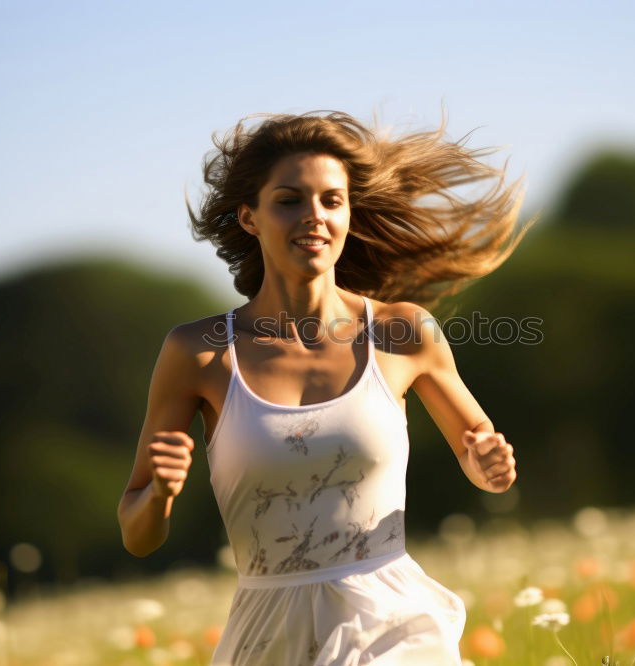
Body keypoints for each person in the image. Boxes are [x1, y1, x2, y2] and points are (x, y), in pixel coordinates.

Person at [117, 110, 534, 665]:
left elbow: (478, 450)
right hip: (269, 635)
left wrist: (489, 465)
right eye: (289, 200)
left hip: (390, 621)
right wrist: (161, 496)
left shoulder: (403, 333)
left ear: (347, 213)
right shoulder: (197, 353)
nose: (314, 216)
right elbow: (137, 534)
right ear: (249, 217)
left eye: (331, 201)